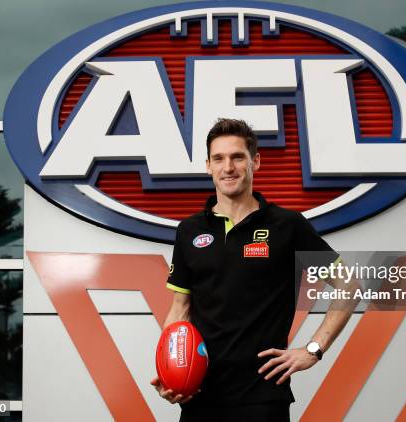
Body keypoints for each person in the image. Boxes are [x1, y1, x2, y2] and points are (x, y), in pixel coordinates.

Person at [150, 118, 359, 421]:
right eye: (219, 158)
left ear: (255, 161)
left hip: (262, 398)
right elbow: (179, 312)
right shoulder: (189, 231)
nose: (228, 167)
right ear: (208, 166)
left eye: (237, 157)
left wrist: (314, 349)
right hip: (200, 396)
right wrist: (171, 372)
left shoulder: (287, 226)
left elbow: (348, 286)